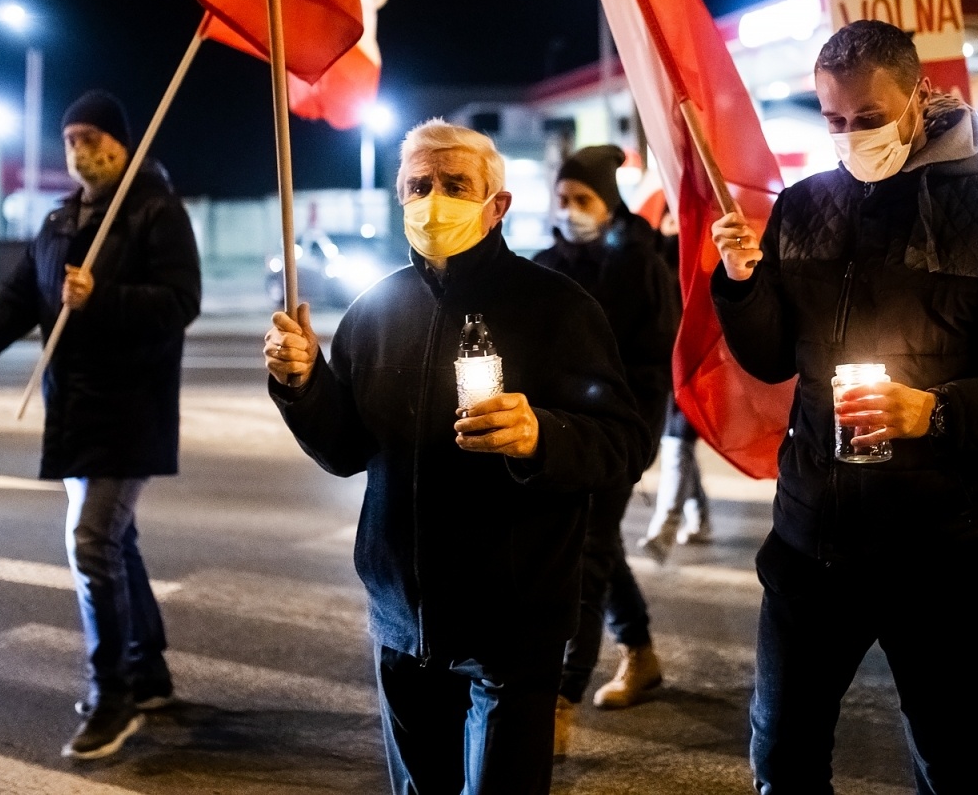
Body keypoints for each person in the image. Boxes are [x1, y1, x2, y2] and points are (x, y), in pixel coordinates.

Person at [710, 20, 978, 794]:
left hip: (942, 556)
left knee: (950, 760)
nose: (851, 135)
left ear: (919, 97)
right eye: (834, 119)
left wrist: (936, 412)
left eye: (869, 116)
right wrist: (743, 285)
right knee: (781, 753)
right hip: (812, 542)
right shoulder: (803, 206)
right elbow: (773, 358)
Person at [264, 119, 651, 795]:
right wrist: (304, 385)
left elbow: (622, 443)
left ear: (496, 205)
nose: (433, 200)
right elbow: (345, 449)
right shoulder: (375, 311)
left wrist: (540, 435)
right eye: (418, 186)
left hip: (513, 619)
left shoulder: (556, 307)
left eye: (454, 185)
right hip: (403, 618)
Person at [0, 90, 201, 761]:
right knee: (116, 541)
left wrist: (101, 297)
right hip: (75, 409)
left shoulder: (155, 212)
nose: (82, 152)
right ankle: (147, 674)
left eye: (93, 139)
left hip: (130, 409)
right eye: (72, 140)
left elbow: (179, 303)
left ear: (122, 144)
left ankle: (112, 695)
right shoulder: (59, 220)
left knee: (91, 542)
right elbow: (17, 299)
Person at [533, 146, 678, 751]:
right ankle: (639, 651)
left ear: (609, 204)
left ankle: (559, 701)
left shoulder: (641, 266)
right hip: (553, 434)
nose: (570, 210)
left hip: (617, 436)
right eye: (562, 199)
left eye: (583, 199)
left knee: (587, 552)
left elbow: (655, 364)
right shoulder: (544, 266)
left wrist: (627, 435)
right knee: (597, 542)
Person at [639, 208, 712, 560]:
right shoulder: (648, 261)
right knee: (679, 447)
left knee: (677, 445)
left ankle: (663, 531)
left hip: (695, 369)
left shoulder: (703, 262)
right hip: (660, 370)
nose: (675, 227)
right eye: (670, 217)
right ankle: (701, 516)